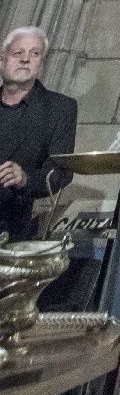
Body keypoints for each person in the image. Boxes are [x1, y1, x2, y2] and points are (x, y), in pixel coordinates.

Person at [0, 25, 76, 242]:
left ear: (41, 64)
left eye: (35, 53)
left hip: (11, 229)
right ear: (2, 59)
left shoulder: (60, 108)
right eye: (18, 53)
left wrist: (25, 178)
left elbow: (61, 172)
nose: (26, 59)